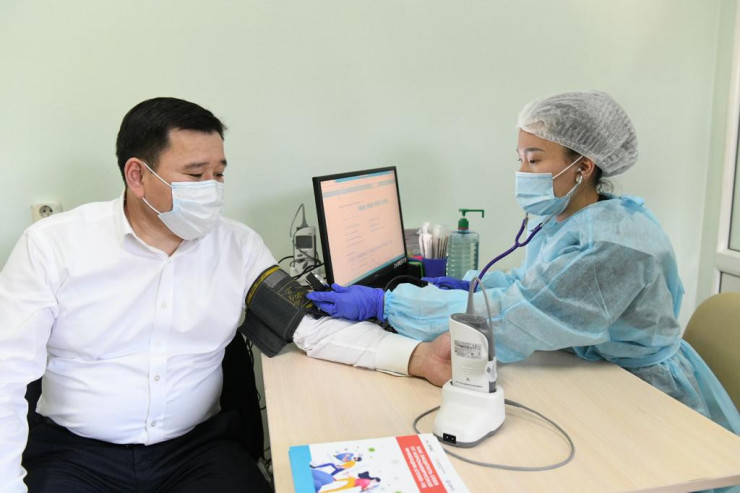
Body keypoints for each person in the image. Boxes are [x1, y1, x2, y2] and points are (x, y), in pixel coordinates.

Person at [0, 97, 449, 491]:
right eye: (195, 174)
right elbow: (6, 374)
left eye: (218, 174)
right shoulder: (52, 247)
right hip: (75, 454)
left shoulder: (238, 247)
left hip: (194, 452)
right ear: (137, 175)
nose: (212, 190)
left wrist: (417, 356)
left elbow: (308, 327)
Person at [308, 90, 740, 434]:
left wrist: (387, 305)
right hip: (600, 371)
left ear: (583, 166)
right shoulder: (573, 216)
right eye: (519, 158)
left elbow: (518, 316)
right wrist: (471, 286)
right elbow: (533, 285)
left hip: (644, 393)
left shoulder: (611, 245)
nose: (522, 171)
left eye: (534, 159)